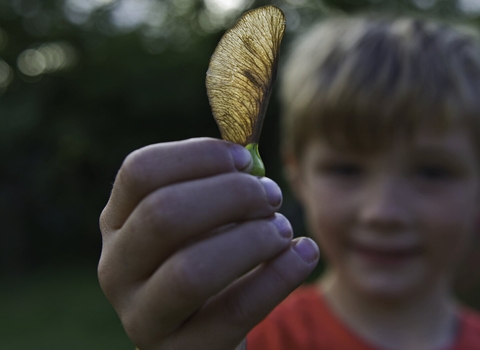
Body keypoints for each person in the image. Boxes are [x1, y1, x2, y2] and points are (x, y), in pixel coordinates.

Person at [98, 13, 480, 350]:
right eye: (346, 170)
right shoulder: (244, 335)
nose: (383, 212)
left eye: (433, 172)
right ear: (298, 176)